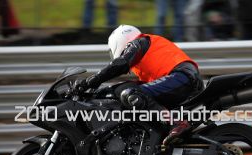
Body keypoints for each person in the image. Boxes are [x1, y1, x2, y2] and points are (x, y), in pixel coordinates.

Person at [75, 25, 204, 145]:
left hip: (181, 77)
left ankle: (175, 123)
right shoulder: (146, 55)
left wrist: (89, 81)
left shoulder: (139, 42)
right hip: (182, 80)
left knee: (132, 94)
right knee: (134, 93)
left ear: (119, 41)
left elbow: (120, 64)